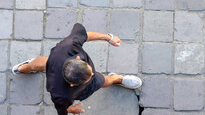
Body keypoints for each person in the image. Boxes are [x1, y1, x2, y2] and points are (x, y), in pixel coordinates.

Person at [11, 23, 142, 115]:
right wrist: (70, 109)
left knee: (46, 62)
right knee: (102, 79)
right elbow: (60, 108)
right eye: (90, 76)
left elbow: (84, 34)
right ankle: (116, 79)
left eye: (90, 71)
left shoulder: (70, 45)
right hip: (57, 67)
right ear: (73, 84)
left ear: (78, 59)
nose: (93, 74)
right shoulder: (61, 93)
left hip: (56, 60)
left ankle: (24, 68)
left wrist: (108, 37)